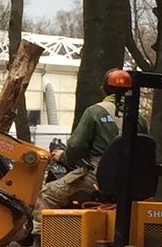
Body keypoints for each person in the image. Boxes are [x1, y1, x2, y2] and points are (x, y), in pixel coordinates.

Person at [35, 69, 148, 212]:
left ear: (103, 90)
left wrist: (63, 157)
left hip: (100, 177)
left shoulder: (94, 112)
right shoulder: (140, 118)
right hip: (132, 180)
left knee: (47, 194)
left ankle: (41, 234)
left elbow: (76, 146)